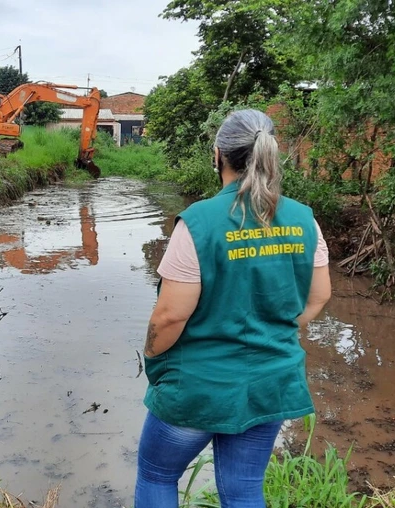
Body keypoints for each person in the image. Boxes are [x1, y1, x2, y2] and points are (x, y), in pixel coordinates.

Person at [135, 108, 332, 507]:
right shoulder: (304, 220)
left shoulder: (199, 222)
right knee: (243, 489)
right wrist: (274, 332)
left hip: (196, 389)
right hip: (270, 385)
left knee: (157, 475)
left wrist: (152, 358)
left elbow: (171, 315)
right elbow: (318, 296)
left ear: (218, 155)